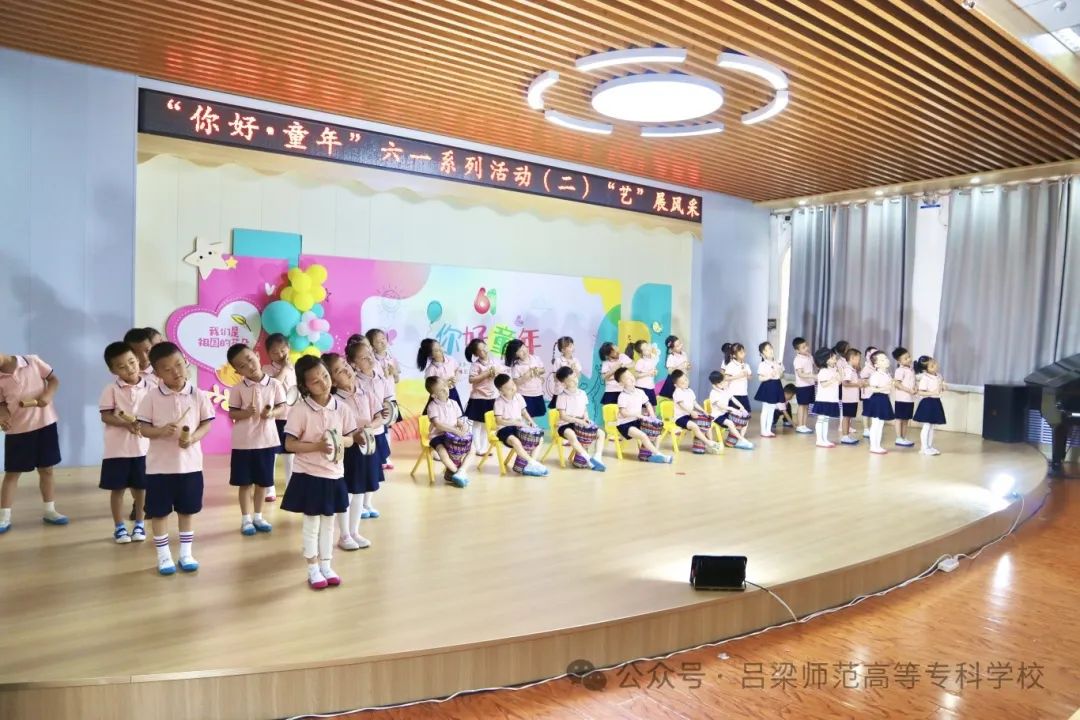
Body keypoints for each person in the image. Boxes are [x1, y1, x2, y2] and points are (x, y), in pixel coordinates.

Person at [136, 342, 215, 574]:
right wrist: (160, 431)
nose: (176, 372)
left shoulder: (198, 394)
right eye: (167, 369)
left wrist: (193, 438)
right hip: (159, 469)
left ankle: (186, 553)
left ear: (185, 362)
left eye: (179, 364)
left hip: (190, 467)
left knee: (187, 511)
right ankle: (163, 556)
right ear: (157, 373)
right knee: (159, 513)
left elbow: (206, 424)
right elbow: (143, 428)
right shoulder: (151, 397)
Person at [281, 356, 356, 590]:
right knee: (312, 524)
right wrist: (318, 446)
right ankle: (312, 568)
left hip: (334, 474)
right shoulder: (300, 410)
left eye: (325, 376)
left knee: (329, 524)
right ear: (305, 386)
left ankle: (326, 565)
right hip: (308, 475)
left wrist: (337, 440)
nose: (323, 383)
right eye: (315, 381)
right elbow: (289, 444)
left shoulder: (342, 408)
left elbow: (350, 439)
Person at [0, 352, 66, 534]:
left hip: (45, 424)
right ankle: (4, 517)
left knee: (47, 469)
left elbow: (53, 380)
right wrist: (3, 416)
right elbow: (1, 404)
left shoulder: (32, 361)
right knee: (12, 473)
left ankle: (50, 510)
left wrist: (48, 395)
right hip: (18, 430)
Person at [227, 344, 285, 537]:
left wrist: (271, 413)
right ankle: (246, 519)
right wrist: (245, 413)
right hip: (243, 443)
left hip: (266, 441)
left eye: (250, 359)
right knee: (244, 484)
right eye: (242, 366)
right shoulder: (237, 388)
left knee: (263, 483)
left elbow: (282, 407)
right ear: (238, 371)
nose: (249, 366)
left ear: (257, 356)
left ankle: (258, 517)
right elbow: (232, 413)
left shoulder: (275, 384)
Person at [326, 353, 381, 548]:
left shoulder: (365, 392)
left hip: (366, 447)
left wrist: (370, 427)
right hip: (348, 450)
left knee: (359, 492)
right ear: (332, 381)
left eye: (345, 365)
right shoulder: (334, 401)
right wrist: (352, 436)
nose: (346, 370)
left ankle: (354, 531)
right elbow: (334, 431)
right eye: (338, 371)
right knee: (346, 493)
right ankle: (344, 535)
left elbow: (379, 416)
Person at [98, 342, 151, 543]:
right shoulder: (111, 389)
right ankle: (119, 527)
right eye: (121, 366)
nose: (129, 368)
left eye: (131, 362)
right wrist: (126, 424)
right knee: (117, 489)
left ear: (137, 360)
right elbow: (106, 416)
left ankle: (140, 524)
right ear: (113, 370)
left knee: (141, 489)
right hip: (117, 450)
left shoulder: (151, 387)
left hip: (143, 449)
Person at [348, 342, 392, 504]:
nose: (370, 359)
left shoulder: (380, 377)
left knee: (375, 468)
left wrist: (388, 408)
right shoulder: (355, 382)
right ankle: (359, 504)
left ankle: (367, 503)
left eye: (370, 355)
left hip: (378, 430)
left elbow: (388, 399)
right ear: (354, 364)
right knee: (364, 469)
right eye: (363, 358)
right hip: (363, 433)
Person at [262, 333, 296, 502]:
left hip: (292, 418)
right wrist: (284, 369)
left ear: (289, 348)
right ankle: (270, 489)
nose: (280, 355)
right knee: (272, 455)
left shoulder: (295, 369)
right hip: (274, 418)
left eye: (283, 350)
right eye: (275, 352)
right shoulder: (266, 370)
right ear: (269, 354)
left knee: (290, 455)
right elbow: (272, 386)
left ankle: (291, 487)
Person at [493, 374, 549, 476]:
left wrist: (531, 422)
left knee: (539, 439)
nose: (513, 389)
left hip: (518, 427)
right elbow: (499, 421)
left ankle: (530, 464)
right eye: (509, 388)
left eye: (513, 385)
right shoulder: (498, 402)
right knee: (516, 441)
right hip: (504, 429)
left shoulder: (518, 397)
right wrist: (515, 422)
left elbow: (524, 412)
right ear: (501, 391)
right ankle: (533, 463)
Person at [425, 377, 476, 487]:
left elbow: (458, 421)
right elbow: (438, 424)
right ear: (434, 395)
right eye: (441, 390)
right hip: (438, 436)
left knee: (472, 449)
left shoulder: (454, 403)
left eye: (445, 386)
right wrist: (455, 431)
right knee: (443, 453)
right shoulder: (432, 406)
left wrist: (462, 425)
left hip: (452, 435)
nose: (445, 390)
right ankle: (456, 472)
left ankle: (461, 471)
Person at [553, 367, 606, 471]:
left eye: (574, 377)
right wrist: (579, 421)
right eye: (570, 380)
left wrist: (586, 418)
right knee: (571, 435)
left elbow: (584, 410)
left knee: (601, 433)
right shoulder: (562, 396)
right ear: (563, 383)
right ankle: (588, 459)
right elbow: (563, 416)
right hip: (565, 424)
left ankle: (597, 457)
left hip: (580, 422)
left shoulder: (582, 393)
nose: (574, 380)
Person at [615, 367, 672, 463]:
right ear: (621, 383)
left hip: (637, 421)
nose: (631, 378)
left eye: (631, 375)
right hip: (624, 424)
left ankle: (653, 453)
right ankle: (660, 455)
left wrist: (652, 416)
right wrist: (638, 415)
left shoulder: (640, 392)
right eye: (627, 378)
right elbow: (623, 413)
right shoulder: (622, 396)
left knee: (657, 433)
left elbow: (648, 404)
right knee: (643, 435)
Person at [366, 328, 401, 469]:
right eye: (377, 341)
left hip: (390, 397)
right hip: (377, 399)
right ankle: (378, 457)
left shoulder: (392, 358)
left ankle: (386, 457)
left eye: (383, 339)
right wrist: (384, 375)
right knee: (379, 428)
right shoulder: (370, 360)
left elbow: (397, 379)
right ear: (371, 345)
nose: (382, 342)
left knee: (389, 428)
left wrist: (394, 373)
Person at [669, 370, 723, 454]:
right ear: (676, 385)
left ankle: (711, 442)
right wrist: (691, 412)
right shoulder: (677, 392)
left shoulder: (690, 391)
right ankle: (709, 443)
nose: (686, 383)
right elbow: (682, 405)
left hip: (689, 416)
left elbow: (695, 403)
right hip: (680, 418)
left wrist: (703, 411)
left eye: (686, 380)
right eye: (682, 383)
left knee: (707, 422)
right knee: (695, 426)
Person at [464, 338, 501, 453]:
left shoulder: (494, 361)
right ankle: (477, 448)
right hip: (479, 398)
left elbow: (499, 374)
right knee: (477, 424)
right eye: (480, 350)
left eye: (484, 347)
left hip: (492, 397)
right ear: (476, 354)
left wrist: (496, 373)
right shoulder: (476, 365)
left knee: (486, 424)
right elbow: (471, 379)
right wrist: (486, 373)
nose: (484, 351)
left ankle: (483, 448)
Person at [707, 370, 753, 449]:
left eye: (723, 382)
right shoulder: (713, 393)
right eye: (720, 383)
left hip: (725, 414)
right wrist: (731, 409)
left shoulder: (725, 390)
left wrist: (741, 407)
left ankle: (740, 439)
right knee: (730, 423)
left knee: (745, 420)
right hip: (717, 416)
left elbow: (733, 399)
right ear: (715, 385)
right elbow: (720, 406)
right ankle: (742, 440)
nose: (723, 384)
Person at [863, 351, 896, 455]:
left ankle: (877, 445)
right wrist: (885, 387)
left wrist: (890, 386)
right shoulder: (876, 375)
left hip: (884, 398)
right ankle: (873, 446)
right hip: (877, 399)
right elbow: (873, 389)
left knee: (880, 424)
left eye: (885, 358)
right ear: (876, 365)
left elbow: (889, 388)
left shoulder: (887, 374)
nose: (886, 360)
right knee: (876, 424)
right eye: (882, 360)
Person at [505, 339, 546, 419]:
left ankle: (533, 427)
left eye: (524, 347)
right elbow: (516, 382)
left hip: (537, 393)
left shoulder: (536, 358)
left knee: (534, 416)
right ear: (515, 354)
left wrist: (538, 370)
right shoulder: (516, 366)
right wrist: (527, 376)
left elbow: (543, 370)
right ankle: (527, 427)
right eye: (520, 351)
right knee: (526, 417)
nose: (524, 351)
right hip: (525, 395)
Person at [913, 355, 947, 456]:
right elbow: (920, 392)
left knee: (932, 426)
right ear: (926, 369)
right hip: (927, 403)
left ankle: (929, 446)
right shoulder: (925, 378)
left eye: (934, 363)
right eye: (932, 366)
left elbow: (942, 386)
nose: (935, 366)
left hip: (936, 402)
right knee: (927, 426)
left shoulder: (939, 375)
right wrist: (933, 392)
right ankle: (924, 448)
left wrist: (943, 386)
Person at [418, 338, 461, 411]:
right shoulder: (431, 370)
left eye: (440, 346)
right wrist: (444, 384)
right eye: (436, 350)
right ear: (431, 355)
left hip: (453, 392)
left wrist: (456, 378)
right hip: (440, 397)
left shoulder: (451, 360)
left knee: (456, 413)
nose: (440, 350)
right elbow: (430, 387)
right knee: (442, 414)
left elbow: (458, 369)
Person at [811, 347, 841, 448]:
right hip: (823, 399)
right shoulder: (823, 371)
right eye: (832, 358)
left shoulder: (832, 370)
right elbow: (824, 384)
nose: (835, 360)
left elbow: (839, 382)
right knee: (821, 419)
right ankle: (819, 440)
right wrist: (833, 379)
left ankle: (824, 439)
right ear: (825, 360)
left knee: (826, 420)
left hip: (831, 399)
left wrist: (839, 373)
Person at [754, 342, 784, 438]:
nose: (770, 351)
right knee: (766, 409)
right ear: (763, 354)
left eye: (770, 348)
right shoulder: (762, 364)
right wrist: (769, 376)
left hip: (776, 385)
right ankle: (763, 431)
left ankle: (768, 430)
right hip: (767, 386)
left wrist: (779, 371)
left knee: (772, 409)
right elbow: (760, 378)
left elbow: (782, 375)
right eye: (766, 350)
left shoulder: (778, 362)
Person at [721, 343, 752, 431]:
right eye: (740, 352)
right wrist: (738, 376)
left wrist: (747, 375)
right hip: (733, 394)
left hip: (744, 393)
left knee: (746, 413)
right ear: (734, 355)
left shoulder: (746, 365)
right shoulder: (730, 365)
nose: (743, 353)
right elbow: (725, 378)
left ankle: (741, 434)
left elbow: (750, 377)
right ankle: (734, 434)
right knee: (734, 414)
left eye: (743, 351)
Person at [892, 347, 917, 448]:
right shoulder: (899, 370)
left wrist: (915, 387)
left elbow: (913, 382)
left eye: (909, 357)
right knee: (899, 419)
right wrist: (909, 390)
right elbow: (897, 384)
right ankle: (898, 438)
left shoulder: (911, 369)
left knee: (906, 419)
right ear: (899, 361)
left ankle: (903, 437)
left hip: (910, 399)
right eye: (905, 358)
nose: (909, 359)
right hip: (901, 399)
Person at [547, 336, 581, 409]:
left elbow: (578, 377)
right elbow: (555, 378)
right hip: (560, 392)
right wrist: (565, 371)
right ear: (563, 350)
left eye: (572, 345)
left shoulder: (575, 360)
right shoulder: (558, 361)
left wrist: (574, 369)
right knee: (560, 412)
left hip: (572, 391)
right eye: (570, 346)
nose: (572, 347)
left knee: (572, 411)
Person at [839, 348, 864, 445]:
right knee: (846, 417)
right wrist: (857, 384)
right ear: (852, 358)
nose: (859, 361)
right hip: (848, 399)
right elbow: (845, 383)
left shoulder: (853, 370)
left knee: (849, 417)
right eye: (858, 359)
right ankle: (845, 436)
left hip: (852, 398)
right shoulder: (848, 370)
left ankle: (847, 436)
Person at [791, 337, 815, 434]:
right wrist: (812, 376)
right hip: (802, 386)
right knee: (801, 405)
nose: (806, 348)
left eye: (806, 346)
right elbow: (800, 374)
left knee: (807, 406)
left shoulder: (809, 356)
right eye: (803, 347)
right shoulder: (797, 360)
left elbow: (812, 366)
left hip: (810, 384)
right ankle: (800, 426)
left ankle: (804, 425)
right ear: (797, 350)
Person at [627, 340, 660, 407]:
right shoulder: (640, 361)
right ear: (641, 353)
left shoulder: (653, 358)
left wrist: (655, 371)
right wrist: (648, 373)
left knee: (653, 406)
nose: (648, 349)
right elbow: (635, 375)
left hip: (650, 386)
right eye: (645, 349)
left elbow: (653, 368)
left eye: (647, 346)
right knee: (643, 408)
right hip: (641, 387)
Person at [659, 335, 690, 399]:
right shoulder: (671, 357)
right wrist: (680, 366)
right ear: (671, 349)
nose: (681, 346)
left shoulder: (684, 354)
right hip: (674, 381)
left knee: (684, 397)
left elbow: (685, 366)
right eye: (678, 346)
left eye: (680, 343)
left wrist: (688, 366)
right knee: (673, 399)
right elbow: (670, 371)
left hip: (682, 379)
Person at [860, 345, 878, 439]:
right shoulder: (866, 368)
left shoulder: (876, 366)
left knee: (874, 412)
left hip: (876, 393)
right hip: (867, 394)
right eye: (873, 354)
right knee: (866, 412)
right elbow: (862, 381)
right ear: (867, 355)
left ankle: (872, 429)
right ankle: (866, 429)